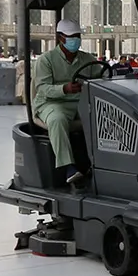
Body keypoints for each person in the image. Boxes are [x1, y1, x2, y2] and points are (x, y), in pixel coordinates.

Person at [34, 19, 95, 188]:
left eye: (77, 36)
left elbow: (102, 77)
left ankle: (95, 164)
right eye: (71, 37)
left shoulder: (87, 59)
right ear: (60, 38)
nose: (75, 40)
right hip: (52, 103)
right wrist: (64, 89)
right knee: (57, 120)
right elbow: (43, 88)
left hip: (79, 102)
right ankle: (68, 167)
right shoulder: (46, 60)